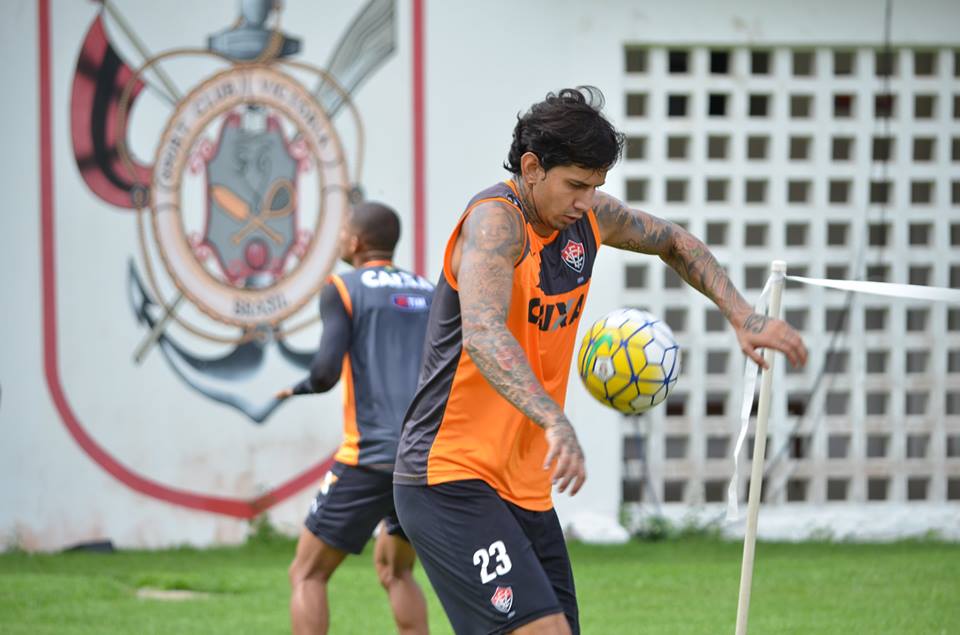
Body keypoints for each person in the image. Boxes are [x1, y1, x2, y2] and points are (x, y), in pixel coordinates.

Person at [393, 87, 808, 635]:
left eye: (596, 187)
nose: (587, 201)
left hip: (523, 485)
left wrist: (742, 314)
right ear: (531, 167)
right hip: (448, 474)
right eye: (576, 185)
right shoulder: (496, 223)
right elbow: (484, 334)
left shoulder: (588, 219)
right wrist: (554, 419)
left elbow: (674, 242)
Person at [278, 202, 433, 635]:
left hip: (369, 458)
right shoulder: (429, 289)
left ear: (355, 241)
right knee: (396, 573)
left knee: (307, 574)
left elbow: (325, 374)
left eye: (344, 230)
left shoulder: (343, 288)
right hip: (424, 459)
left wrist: (300, 387)